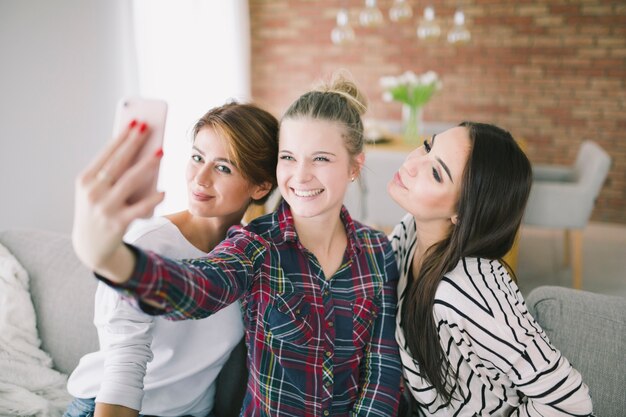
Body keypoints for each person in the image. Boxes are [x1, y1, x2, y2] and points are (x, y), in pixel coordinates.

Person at [71, 74, 403, 417]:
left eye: (321, 158)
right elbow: (197, 289)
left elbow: (383, 370)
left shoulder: (378, 250)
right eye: (288, 157)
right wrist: (112, 259)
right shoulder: (255, 245)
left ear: (354, 166)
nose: (300, 175)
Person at [64, 102, 279, 417]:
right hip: (113, 407)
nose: (200, 179)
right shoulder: (148, 246)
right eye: (197, 158)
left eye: (223, 167)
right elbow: (124, 366)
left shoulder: (251, 257)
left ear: (261, 186)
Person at [388, 122, 593, 415]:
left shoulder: (466, 293)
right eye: (427, 145)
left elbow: (570, 402)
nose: (411, 163)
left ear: (463, 211)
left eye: (436, 173)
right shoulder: (411, 230)